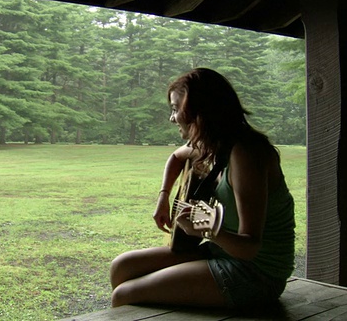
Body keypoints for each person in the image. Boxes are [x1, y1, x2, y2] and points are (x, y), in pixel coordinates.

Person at [110, 68, 295, 309]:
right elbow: (177, 157)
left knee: (124, 295)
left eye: (176, 109)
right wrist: (164, 196)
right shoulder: (216, 146)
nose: (172, 118)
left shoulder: (246, 154)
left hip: (256, 272)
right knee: (122, 267)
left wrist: (205, 229)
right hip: (221, 252)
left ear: (199, 112)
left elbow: (250, 247)